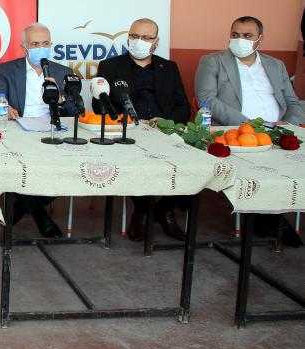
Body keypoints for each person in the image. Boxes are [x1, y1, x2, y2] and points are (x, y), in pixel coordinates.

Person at [196, 15, 304, 246]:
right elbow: (206, 100)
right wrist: (249, 126)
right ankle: (269, 220)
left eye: (247, 36)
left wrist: (288, 125)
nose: (240, 40)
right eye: (235, 35)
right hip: (236, 132)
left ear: (259, 40)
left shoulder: (276, 65)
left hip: (278, 131)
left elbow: (293, 102)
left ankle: (270, 217)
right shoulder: (213, 62)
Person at [95, 18, 191, 242]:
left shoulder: (169, 68)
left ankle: (164, 209)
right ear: (128, 37)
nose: (139, 41)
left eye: (146, 38)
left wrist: (165, 122)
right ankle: (143, 211)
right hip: (127, 132)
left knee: (188, 161)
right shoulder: (110, 66)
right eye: (135, 36)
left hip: (163, 131)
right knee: (132, 161)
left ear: (156, 42)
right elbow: (100, 106)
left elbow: (183, 107)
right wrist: (122, 119)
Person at [0, 22, 70, 238]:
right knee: (16, 167)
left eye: (45, 43)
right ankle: (40, 215)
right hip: (19, 131)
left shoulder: (62, 72)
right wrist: (6, 108)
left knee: (65, 169)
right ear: (24, 46)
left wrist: (61, 99)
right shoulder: (7, 70)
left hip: (52, 133)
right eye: (35, 44)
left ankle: (20, 210)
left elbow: (74, 110)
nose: (40, 48)